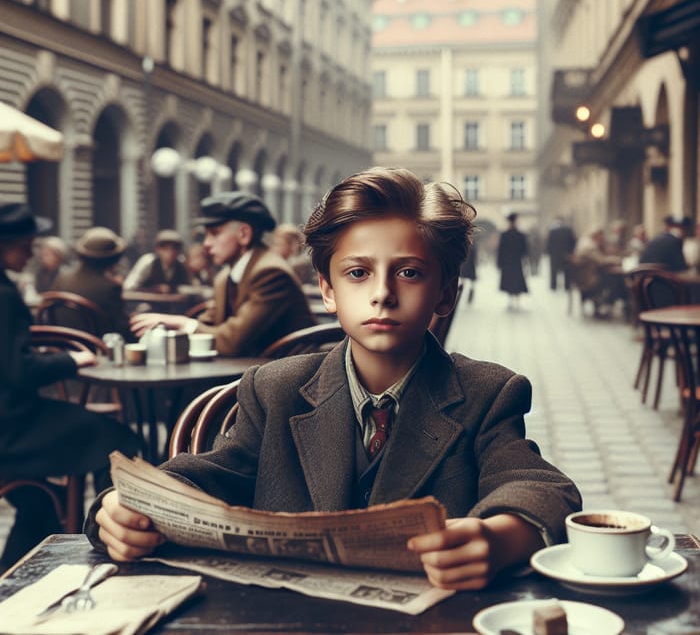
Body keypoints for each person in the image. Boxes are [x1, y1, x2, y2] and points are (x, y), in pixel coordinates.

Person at [86, 167, 581, 591]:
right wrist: (119, 506)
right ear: (327, 290)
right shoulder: (275, 389)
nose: (382, 294)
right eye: (358, 273)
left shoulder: (487, 393)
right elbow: (208, 473)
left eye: (408, 273)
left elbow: (539, 486)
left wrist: (499, 537)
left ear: (445, 295)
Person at [0, 203, 141, 570]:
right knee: (120, 443)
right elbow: (18, 371)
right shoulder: (3, 294)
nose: (31, 253)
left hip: (10, 419)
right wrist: (69, 360)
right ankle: (116, 537)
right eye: (25, 245)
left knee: (41, 502)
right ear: (5, 245)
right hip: (11, 427)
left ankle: (10, 585)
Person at [129, 192, 316, 357]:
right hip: (254, 370)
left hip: (292, 380)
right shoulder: (226, 276)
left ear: (244, 234)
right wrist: (173, 327)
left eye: (214, 233)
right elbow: (210, 322)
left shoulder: (270, 272)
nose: (206, 244)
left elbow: (231, 342)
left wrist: (180, 323)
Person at [52, 226, 133, 340]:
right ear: (113, 259)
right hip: (97, 351)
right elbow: (122, 330)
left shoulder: (62, 278)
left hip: (62, 346)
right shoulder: (110, 287)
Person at [123, 229, 192, 293]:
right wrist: (153, 289)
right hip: (147, 302)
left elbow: (188, 288)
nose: (171, 253)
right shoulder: (149, 262)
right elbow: (129, 287)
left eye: (175, 249)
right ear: (158, 249)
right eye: (166, 249)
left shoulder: (181, 264)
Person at [496, 213, 529, 310]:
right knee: (517, 280)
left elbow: (501, 250)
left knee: (509, 281)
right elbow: (525, 251)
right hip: (517, 262)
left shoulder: (504, 235)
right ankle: (516, 301)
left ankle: (511, 301)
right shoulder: (521, 235)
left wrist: (499, 263)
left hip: (507, 263)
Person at [545, 217, 576, 291]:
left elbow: (549, 243)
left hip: (555, 255)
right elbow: (573, 241)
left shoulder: (552, 231)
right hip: (566, 254)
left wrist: (549, 253)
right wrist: (570, 252)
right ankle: (567, 286)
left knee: (554, 271)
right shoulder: (568, 230)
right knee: (567, 272)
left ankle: (553, 286)